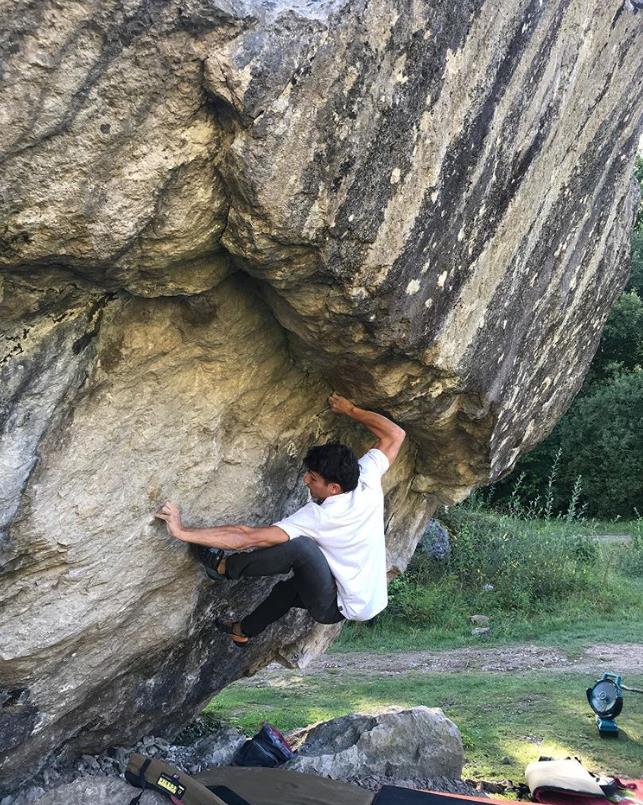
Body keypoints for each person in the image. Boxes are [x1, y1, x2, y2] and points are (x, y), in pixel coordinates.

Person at [155, 393, 405, 646]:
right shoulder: (365, 478)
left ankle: (223, 569)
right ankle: (241, 632)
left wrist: (182, 531)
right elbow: (395, 435)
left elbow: (247, 537)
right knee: (285, 592)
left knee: (301, 548)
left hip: (338, 604)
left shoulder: (321, 515)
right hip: (369, 598)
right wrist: (350, 409)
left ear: (334, 488)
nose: (306, 480)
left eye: (314, 478)